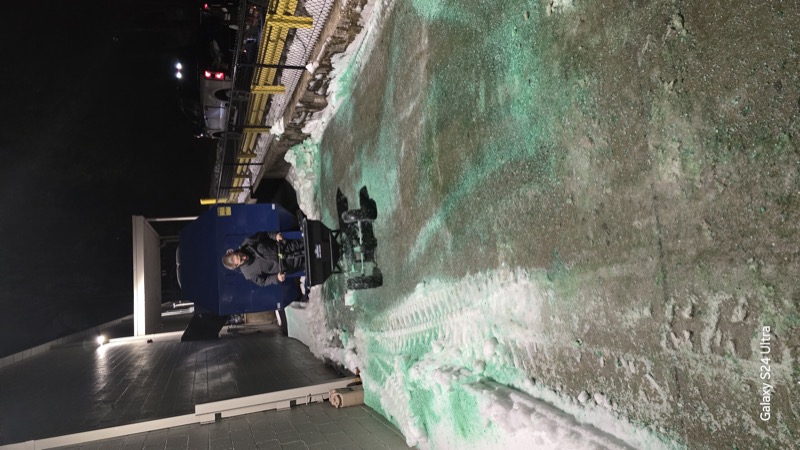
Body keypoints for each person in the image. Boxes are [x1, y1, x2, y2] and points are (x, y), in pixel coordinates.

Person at [222, 232, 304, 286]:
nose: (244, 257)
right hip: (289, 264)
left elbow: (264, 235)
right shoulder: (249, 274)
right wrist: (276, 278)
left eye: (240, 255)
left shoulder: (248, 242)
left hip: (287, 247)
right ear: (237, 265)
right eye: (241, 260)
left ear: (237, 251)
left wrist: (274, 236)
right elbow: (263, 282)